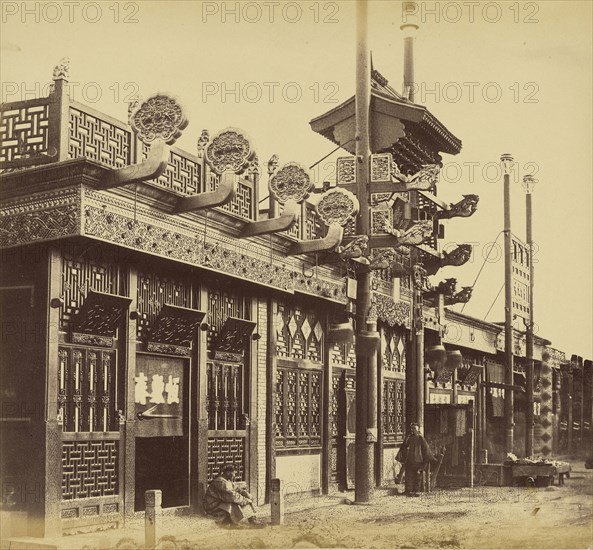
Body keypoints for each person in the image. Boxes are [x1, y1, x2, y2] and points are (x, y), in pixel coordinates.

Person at [204, 463, 262, 527]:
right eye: (234, 473)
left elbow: (237, 489)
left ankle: (252, 519)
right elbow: (232, 496)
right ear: (228, 472)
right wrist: (246, 500)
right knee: (234, 503)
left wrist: (246, 494)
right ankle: (236, 523)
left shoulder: (227, 481)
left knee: (242, 501)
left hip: (221, 503)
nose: (234, 475)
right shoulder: (220, 482)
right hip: (213, 506)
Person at [397, 422, 435, 497]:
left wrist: (425, 462)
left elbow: (425, 450)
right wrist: (403, 457)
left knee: (418, 477)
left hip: (418, 461)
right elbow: (403, 448)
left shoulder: (421, 439)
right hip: (409, 461)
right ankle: (408, 491)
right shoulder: (408, 438)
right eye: (412, 428)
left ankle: (417, 491)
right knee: (409, 476)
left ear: (418, 430)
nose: (413, 430)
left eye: (414, 428)